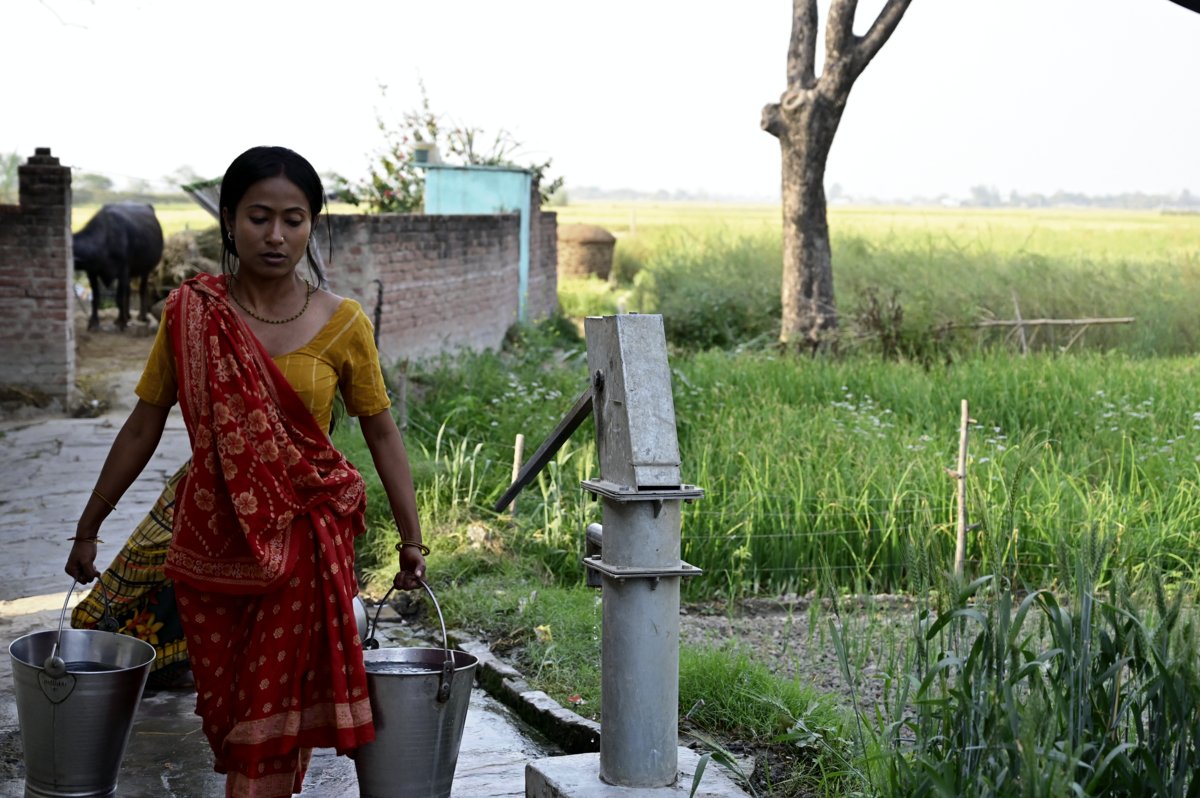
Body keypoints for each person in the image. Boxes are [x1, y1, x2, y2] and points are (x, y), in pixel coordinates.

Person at [65, 145, 426, 798]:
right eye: (260, 217)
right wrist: (89, 526)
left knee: (273, 724)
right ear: (230, 219)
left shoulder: (343, 324)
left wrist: (411, 539)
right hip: (213, 551)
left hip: (305, 546)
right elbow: (144, 424)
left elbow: (381, 433)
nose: (277, 235)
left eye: (295, 219)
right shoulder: (190, 314)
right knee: (235, 722)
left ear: (313, 225)